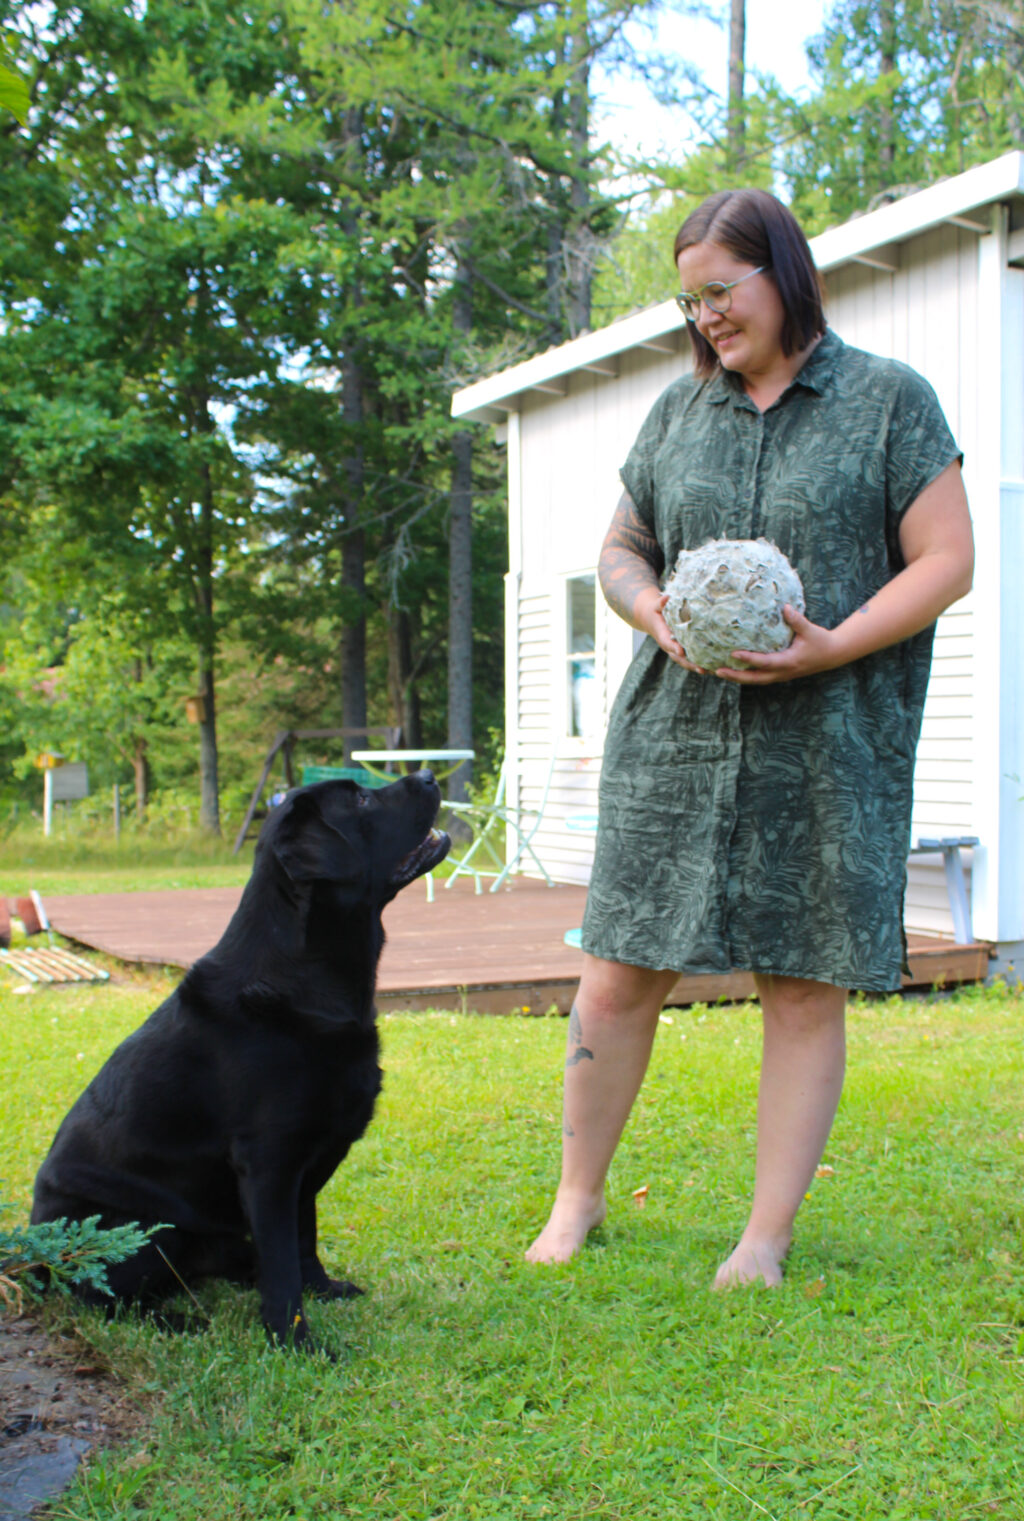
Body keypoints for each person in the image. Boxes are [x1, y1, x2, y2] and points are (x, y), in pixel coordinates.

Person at [525, 188, 974, 1287]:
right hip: (671, 740)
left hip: (824, 741)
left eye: (722, 291)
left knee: (802, 981)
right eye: (691, 301)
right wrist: (649, 611)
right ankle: (577, 1199)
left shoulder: (888, 400)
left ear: (784, 273)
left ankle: (763, 1239)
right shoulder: (676, 414)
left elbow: (946, 559)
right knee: (619, 968)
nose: (708, 317)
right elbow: (621, 551)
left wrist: (834, 646)